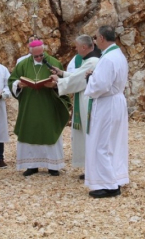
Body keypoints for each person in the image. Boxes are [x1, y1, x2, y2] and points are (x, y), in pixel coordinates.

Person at [8, 40, 70, 176]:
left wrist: (54, 85)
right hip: (29, 106)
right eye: (36, 56)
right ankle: (32, 165)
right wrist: (19, 85)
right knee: (30, 131)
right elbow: (12, 80)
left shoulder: (53, 63)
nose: (39, 58)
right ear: (30, 54)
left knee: (50, 131)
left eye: (41, 55)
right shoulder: (23, 65)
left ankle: (52, 165)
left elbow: (64, 82)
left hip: (49, 105)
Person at [84, 25, 129, 198]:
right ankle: (115, 178)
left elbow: (101, 85)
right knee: (114, 142)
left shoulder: (108, 58)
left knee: (102, 144)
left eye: (95, 38)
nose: (94, 41)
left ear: (102, 38)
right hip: (116, 101)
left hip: (107, 103)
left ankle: (109, 185)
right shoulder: (118, 55)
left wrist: (89, 78)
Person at [50, 35, 100, 179]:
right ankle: (90, 168)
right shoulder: (89, 60)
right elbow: (77, 75)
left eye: (77, 46)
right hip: (83, 99)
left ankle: (94, 170)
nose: (76, 49)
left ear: (84, 47)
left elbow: (78, 79)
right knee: (86, 136)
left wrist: (59, 81)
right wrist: (62, 73)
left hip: (88, 101)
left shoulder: (93, 61)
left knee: (90, 135)